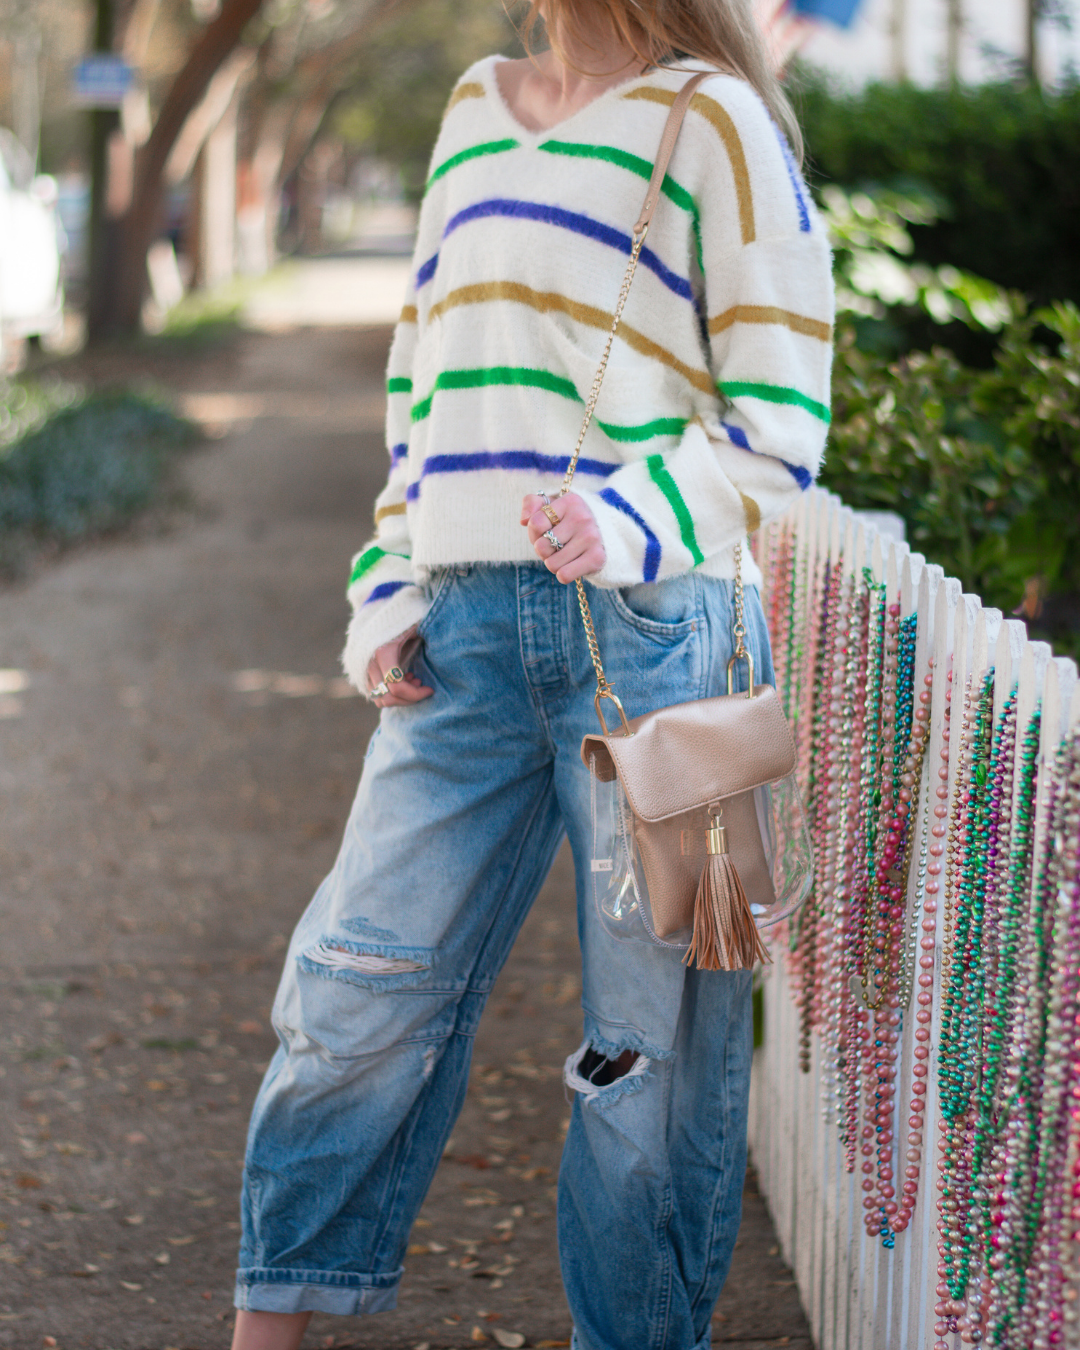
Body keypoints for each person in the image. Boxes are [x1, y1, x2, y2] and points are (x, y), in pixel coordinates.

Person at [231, 0, 833, 1343]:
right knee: (352, 987)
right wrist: (389, 584)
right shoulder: (468, 105)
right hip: (464, 642)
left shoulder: (714, 122)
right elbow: (419, 380)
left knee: (641, 1062)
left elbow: (783, 425)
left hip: (658, 640)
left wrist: (628, 518)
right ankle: (264, 1328)